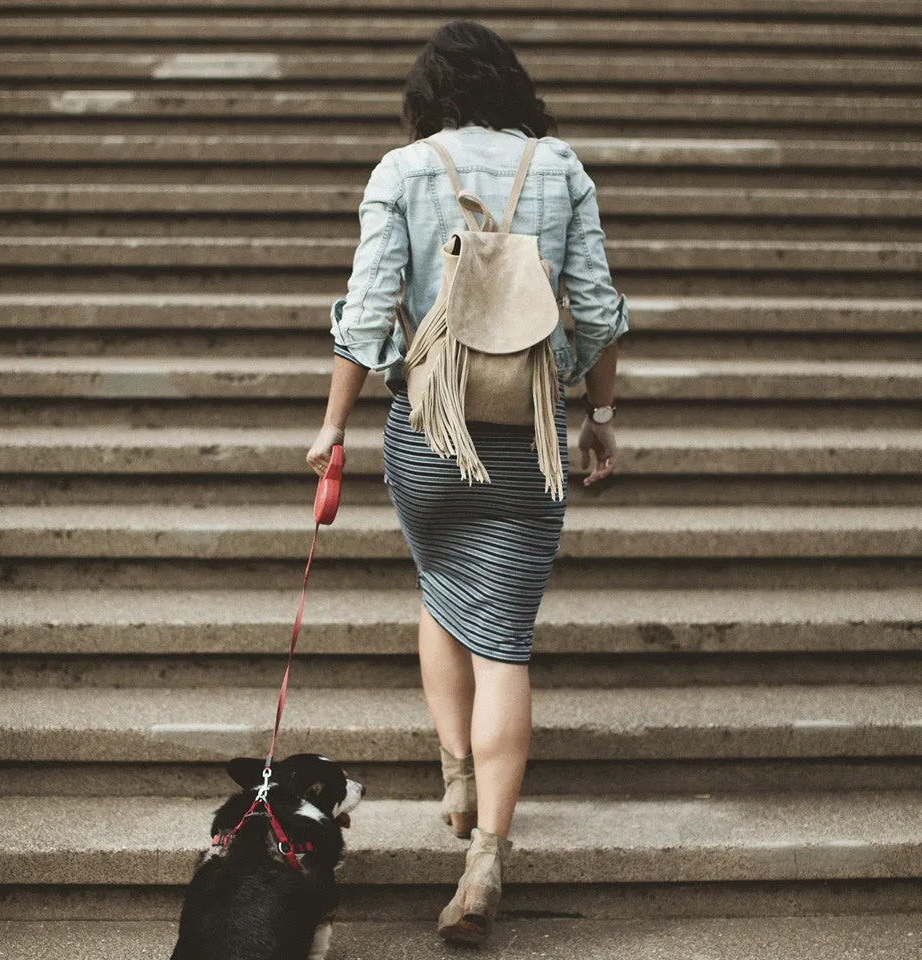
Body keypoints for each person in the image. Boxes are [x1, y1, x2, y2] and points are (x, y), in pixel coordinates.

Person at [306, 19, 628, 946]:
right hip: (526, 436)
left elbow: (367, 314)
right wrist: (599, 418)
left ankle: (455, 772)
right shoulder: (559, 166)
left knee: (442, 590)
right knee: (505, 637)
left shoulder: (403, 171)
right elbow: (598, 309)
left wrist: (331, 426)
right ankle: (487, 848)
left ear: (429, 96)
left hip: (428, 434)